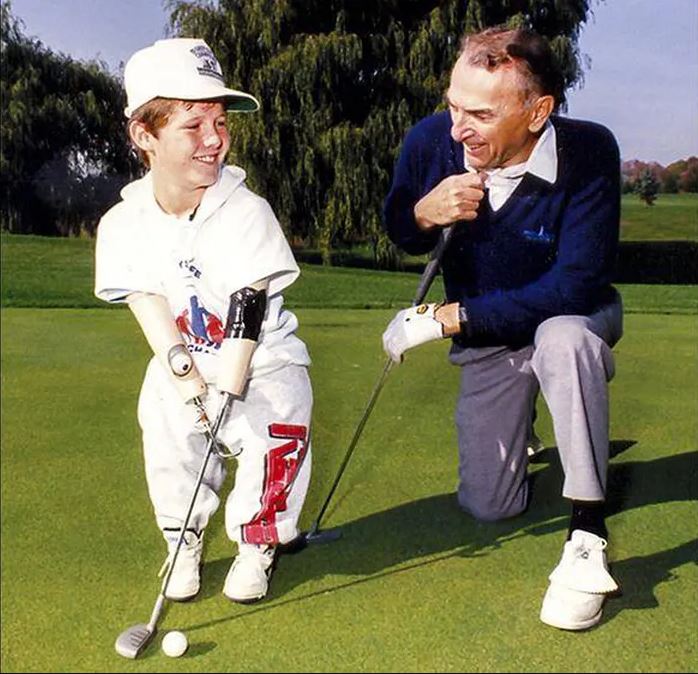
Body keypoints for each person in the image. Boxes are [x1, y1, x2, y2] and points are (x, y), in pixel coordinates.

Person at [382, 26, 623, 631]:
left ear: (537, 112)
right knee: (489, 506)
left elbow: (574, 287)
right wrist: (422, 212)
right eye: (453, 104)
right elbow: (398, 228)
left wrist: (449, 317)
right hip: (493, 337)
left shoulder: (590, 152)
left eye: (481, 114)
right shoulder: (432, 140)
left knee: (562, 340)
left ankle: (587, 535)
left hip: (576, 314)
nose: (458, 127)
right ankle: (532, 422)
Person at [94, 38, 313, 605]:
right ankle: (183, 538)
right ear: (145, 136)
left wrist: (229, 386)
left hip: (260, 359)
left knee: (278, 424)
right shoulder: (123, 223)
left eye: (220, 121)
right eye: (193, 125)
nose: (214, 139)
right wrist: (188, 380)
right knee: (165, 427)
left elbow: (249, 305)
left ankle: (256, 544)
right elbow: (151, 309)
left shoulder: (246, 209)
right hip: (188, 357)